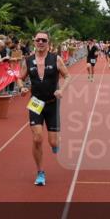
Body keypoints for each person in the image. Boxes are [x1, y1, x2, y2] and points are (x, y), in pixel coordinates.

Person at [17, 31, 69, 186]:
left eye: (43, 40)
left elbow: (67, 76)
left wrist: (61, 90)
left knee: (53, 142)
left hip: (52, 103)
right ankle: (40, 172)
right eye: (38, 40)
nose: (40, 42)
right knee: (37, 138)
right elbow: (19, 78)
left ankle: (56, 143)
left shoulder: (56, 59)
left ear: (48, 42)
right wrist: (21, 88)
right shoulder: (28, 60)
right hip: (35, 103)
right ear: (34, 41)